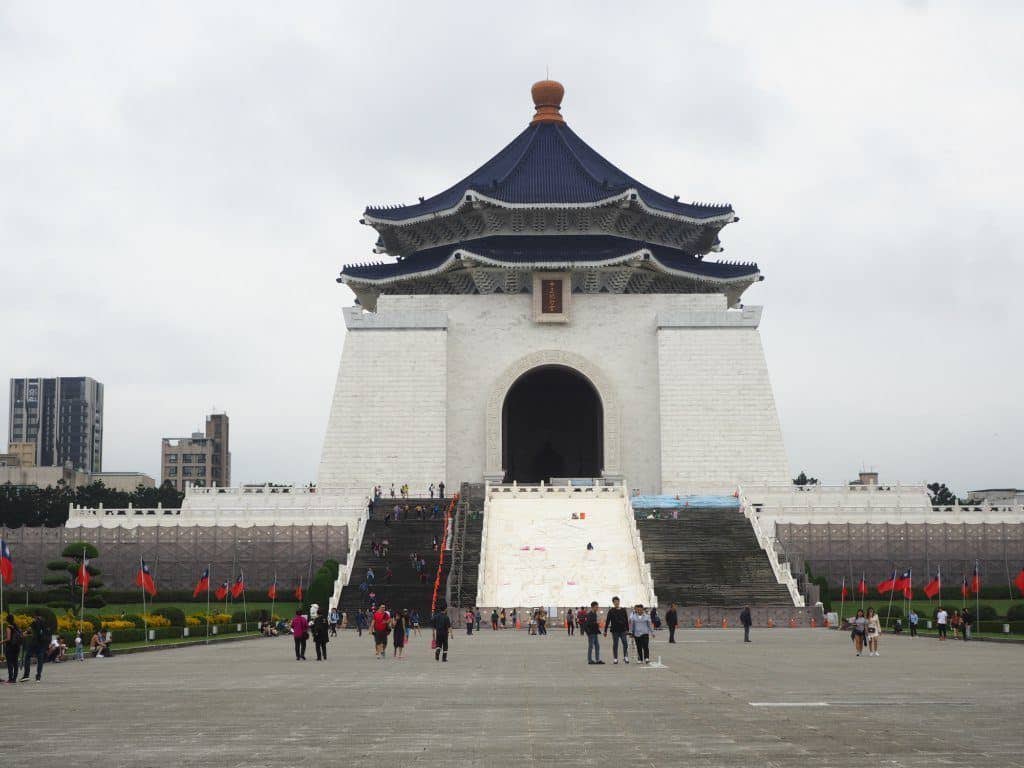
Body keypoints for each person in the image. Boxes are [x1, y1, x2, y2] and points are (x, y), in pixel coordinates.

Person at [603, 596, 630, 664]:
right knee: (615, 644)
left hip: (623, 630)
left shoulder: (623, 610)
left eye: (617, 601)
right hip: (615, 630)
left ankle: (625, 657)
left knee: (625, 643)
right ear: (613, 603)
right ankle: (615, 658)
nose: (616, 603)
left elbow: (626, 620)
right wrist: (605, 630)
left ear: (619, 601)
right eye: (615, 602)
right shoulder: (611, 611)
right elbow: (607, 621)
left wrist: (627, 629)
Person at [3, 612, 22, 683]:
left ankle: (10, 678)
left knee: (10, 663)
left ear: (7, 620)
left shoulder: (9, 627)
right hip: (17, 647)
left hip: (10, 647)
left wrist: (1, 641)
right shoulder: (16, 627)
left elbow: (8, 639)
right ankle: (14, 678)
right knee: (15, 663)